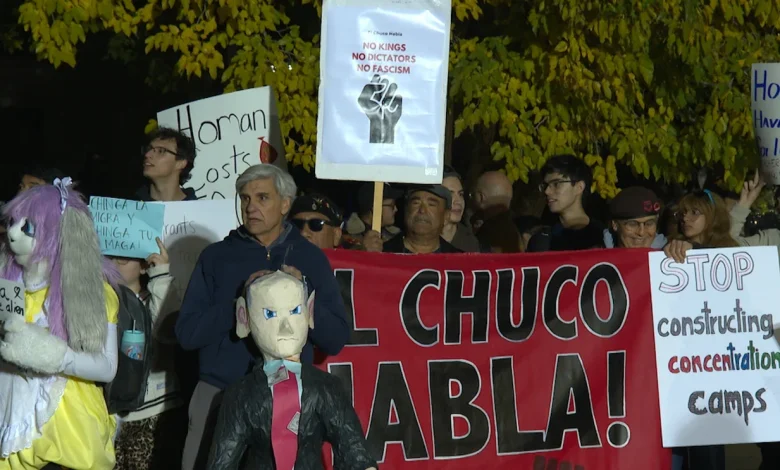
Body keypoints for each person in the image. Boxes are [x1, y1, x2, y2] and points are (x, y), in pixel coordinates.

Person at [175, 164, 349, 470]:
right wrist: (241, 306)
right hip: (219, 394)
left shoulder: (310, 258)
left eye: (262, 198)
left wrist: (302, 296)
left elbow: (335, 338)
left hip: (289, 401)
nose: (251, 207)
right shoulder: (216, 257)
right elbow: (187, 334)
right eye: (245, 199)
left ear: (285, 204)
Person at [0, 179, 120, 469]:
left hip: (69, 437)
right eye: (13, 223)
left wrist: (53, 355)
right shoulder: (9, 284)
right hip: (12, 434)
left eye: (28, 227)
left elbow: (106, 367)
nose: (14, 234)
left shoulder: (87, 289)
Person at [112, 238, 185, 470]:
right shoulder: (102, 303)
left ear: (143, 265)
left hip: (155, 413)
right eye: (108, 256)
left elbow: (169, 330)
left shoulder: (153, 298)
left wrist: (161, 273)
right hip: (112, 418)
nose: (113, 263)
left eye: (122, 257)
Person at [526, 154, 604, 252]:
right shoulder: (541, 241)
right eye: (545, 185)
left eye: (556, 184)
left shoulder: (605, 237)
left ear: (579, 187)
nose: (547, 191)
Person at [381, 185, 462, 254]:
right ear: (406, 210)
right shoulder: (382, 254)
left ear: (446, 216)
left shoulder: (459, 263)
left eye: (431, 205)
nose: (422, 210)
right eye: (416, 203)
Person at [136, 127, 198, 202]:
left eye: (160, 151)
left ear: (181, 163)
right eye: (148, 149)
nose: (147, 154)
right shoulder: (128, 209)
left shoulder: (199, 211)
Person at [470, 170, 522, 253]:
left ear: (481, 197)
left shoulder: (486, 234)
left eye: (472, 195)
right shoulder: (516, 235)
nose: (471, 199)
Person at [343, 182, 402, 250]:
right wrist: (362, 250)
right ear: (376, 208)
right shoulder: (345, 234)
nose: (396, 209)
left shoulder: (396, 236)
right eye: (391, 205)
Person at [441, 166, 482, 252]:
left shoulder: (471, 243)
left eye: (460, 194)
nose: (458, 201)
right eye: (450, 194)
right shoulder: (420, 239)